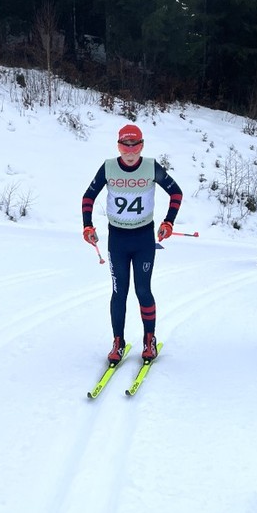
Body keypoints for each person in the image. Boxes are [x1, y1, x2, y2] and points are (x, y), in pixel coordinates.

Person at [82, 124, 183, 362]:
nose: (129, 152)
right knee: (119, 292)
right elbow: (88, 196)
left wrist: (168, 222)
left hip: (143, 239)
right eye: (124, 146)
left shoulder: (150, 167)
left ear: (142, 146)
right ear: (118, 146)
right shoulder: (108, 167)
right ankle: (118, 341)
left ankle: (150, 339)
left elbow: (176, 193)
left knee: (143, 290)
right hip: (117, 239)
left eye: (134, 146)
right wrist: (87, 226)